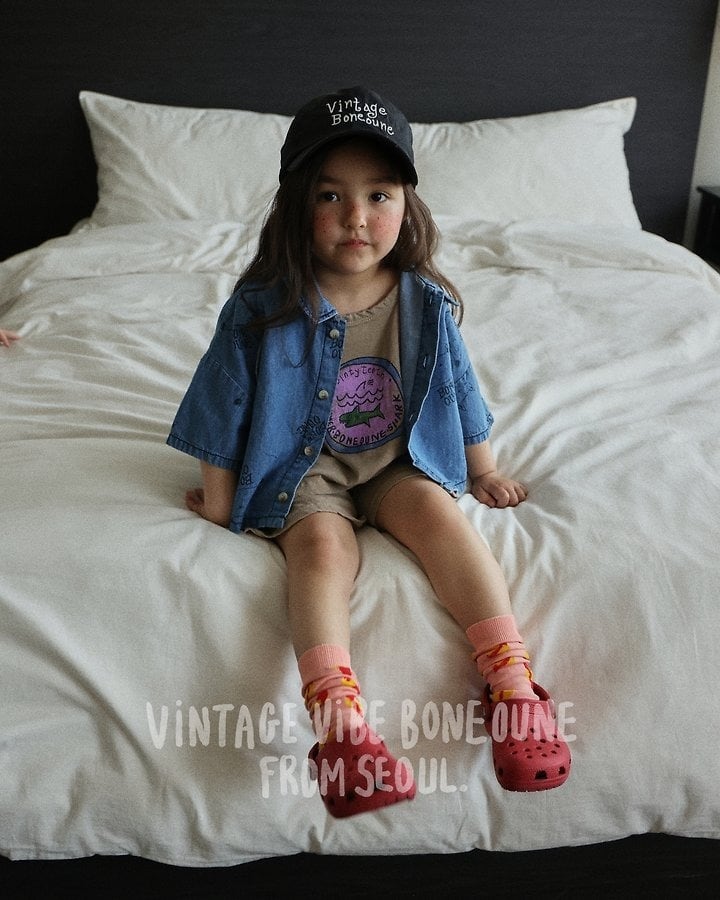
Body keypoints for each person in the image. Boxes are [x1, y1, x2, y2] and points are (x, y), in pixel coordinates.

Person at [168, 87, 570, 818]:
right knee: (321, 550)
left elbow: (457, 387)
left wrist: (482, 469)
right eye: (331, 196)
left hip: (396, 458)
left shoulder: (423, 302)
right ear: (297, 206)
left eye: (378, 195)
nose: (356, 216)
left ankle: (513, 688)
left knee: (441, 520)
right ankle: (341, 729)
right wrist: (221, 502)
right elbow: (220, 404)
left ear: (407, 205)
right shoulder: (262, 306)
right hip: (303, 468)